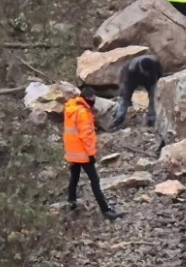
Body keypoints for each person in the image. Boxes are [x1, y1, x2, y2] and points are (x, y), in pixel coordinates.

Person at [63, 87, 125, 220]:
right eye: (92, 99)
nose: (93, 102)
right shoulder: (83, 113)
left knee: (74, 179)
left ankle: (72, 206)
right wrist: (91, 155)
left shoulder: (70, 109)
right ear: (87, 99)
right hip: (83, 153)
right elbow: (86, 136)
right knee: (95, 180)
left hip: (72, 153)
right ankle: (106, 211)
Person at [110, 55, 162, 129]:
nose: (146, 73)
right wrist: (122, 89)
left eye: (148, 72)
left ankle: (151, 119)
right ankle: (119, 120)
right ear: (141, 68)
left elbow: (159, 74)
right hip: (132, 80)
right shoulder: (131, 68)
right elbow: (124, 81)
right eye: (145, 72)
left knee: (153, 97)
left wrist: (159, 86)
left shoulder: (155, 62)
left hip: (150, 79)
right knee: (125, 99)